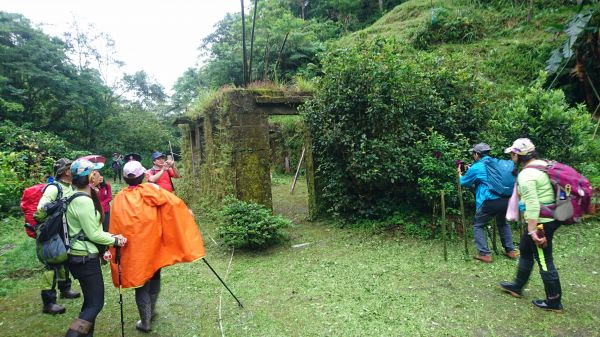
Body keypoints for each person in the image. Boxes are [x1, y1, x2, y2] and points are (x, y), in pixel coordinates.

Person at [110, 160, 205, 332]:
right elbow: (174, 204)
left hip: (133, 252)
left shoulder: (119, 199)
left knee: (141, 284)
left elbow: (115, 227)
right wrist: (186, 213)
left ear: (124, 178)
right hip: (153, 247)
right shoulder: (152, 190)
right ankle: (150, 313)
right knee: (154, 275)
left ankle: (146, 321)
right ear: (142, 176)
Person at [63, 159, 127, 337]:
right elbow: (94, 234)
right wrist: (116, 239)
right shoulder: (83, 201)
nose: (100, 174)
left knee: (90, 302)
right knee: (95, 304)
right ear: (90, 177)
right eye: (96, 172)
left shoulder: (73, 195)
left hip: (78, 256)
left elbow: (90, 230)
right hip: (85, 258)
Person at [499, 138, 563, 312]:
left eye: (513, 153)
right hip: (550, 216)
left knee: (544, 259)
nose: (512, 156)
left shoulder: (527, 174)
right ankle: (517, 286)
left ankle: (554, 301)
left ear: (519, 155)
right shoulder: (543, 164)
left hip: (542, 222)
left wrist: (532, 229)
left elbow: (533, 204)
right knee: (526, 250)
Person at [34, 158, 81, 315]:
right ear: (66, 171)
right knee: (51, 266)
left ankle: (65, 289)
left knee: (63, 262)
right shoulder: (54, 188)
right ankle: (48, 302)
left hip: (65, 231)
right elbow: (40, 209)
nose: (74, 171)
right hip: (52, 232)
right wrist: (59, 204)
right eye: (71, 168)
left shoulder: (69, 187)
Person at [458, 143, 517, 263]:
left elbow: (463, 182)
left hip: (489, 201)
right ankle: (510, 251)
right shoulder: (497, 163)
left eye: (473, 154)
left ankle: (485, 254)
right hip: (506, 200)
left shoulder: (477, 167)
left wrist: (459, 173)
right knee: (503, 223)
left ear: (476, 154)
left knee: (478, 225)